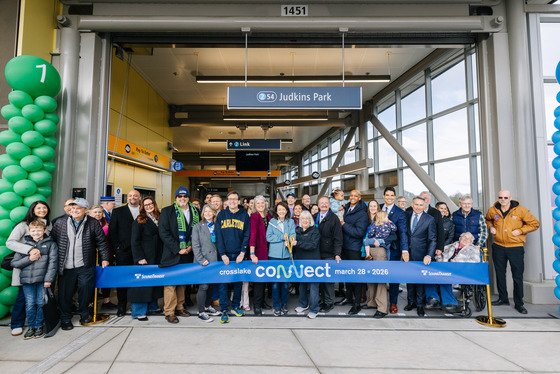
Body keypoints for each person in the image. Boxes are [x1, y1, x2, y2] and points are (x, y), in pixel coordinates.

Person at [51, 198, 110, 330]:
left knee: (85, 290)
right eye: (72, 208)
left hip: (85, 265)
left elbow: (101, 242)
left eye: (78, 208)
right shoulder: (59, 223)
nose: (74, 210)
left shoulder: (93, 223)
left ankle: (84, 314)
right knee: (65, 293)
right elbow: (53, 241)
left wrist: (105, 258)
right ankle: (65, 318)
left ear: (86, 210)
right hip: (66, 266)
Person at [485, 190, 540, 314]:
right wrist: (491, 227)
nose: (503, 199)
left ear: (510, 198)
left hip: (515, 247)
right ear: (498, 198)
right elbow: (487, 220)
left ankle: (519, 303)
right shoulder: (492, 210)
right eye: (500, 197)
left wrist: (520, 231)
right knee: (500, 273)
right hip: (498, 246)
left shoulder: (521, 211)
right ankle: (503, 298)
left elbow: (535, 224)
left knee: (517, 276)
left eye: (505, 197)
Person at [6, 201, 52, 337]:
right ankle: (16, 324)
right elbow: (10, 242)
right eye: (38, 208)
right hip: (26, 266)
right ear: (32, 210)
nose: (42, 210)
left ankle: (38, 324)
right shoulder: (23, 225)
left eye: (44, 207)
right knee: (22, 297)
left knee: (41, 299)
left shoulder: (49, 225)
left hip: (42, 269)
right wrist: (29, 250)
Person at [158, 186, 200, 323]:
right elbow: (163, 233)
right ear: (176, 198)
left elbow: (196, 232)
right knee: (170, 284)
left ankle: (180, 307)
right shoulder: (167, 211)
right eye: (180, 196)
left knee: (182, 282)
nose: (183, 198)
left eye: (185, 196)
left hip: (187, 253)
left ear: (188, 198)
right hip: (172, 253)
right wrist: (178, 248)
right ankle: (169, 311)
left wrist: (190, 247)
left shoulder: (195, 211)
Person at [10, 220, 57, 339]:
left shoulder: (51, 244)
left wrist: (48, 279)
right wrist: (29, 259)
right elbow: (14, 263)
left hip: (42, 280)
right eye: (33, 231)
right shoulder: (24, 245)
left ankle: (39, 326)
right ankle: (31, 326)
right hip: (27, 281)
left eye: (39, 230)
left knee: (41, 303)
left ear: (44, 230)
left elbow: (53, 263)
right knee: (30, 304)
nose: (36, 233)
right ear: (29, 232)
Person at [215, 191, 251, 323]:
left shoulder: (245, 216)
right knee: (223, 283)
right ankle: (224, 308)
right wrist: (222, 254)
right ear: (227, 201)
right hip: (224, 255)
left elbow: (247, 235)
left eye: (235, 199)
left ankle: (235, 306)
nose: (232, 201)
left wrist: (242, 253)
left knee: (237, 282)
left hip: (238, 255)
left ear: (239, 201)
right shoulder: (221, 215)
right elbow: (218, 236)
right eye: (230, 199)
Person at [128, 197, 163, 321]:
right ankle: (138, 311)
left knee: (154, 282)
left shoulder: (159, 217)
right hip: (145, 257)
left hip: (157, 255)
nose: (149, 206)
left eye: (151, 204)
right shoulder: (139, 220)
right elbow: (134, 241)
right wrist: (139, 258)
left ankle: (153, 306)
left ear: (154, 204)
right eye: (146, 205)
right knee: (141, 285)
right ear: (142, 207)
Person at [335, 190, 369, 315]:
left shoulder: (362, 214)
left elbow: (359, 232)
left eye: (356, 196)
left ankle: (357, 304)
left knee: (357, 277)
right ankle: (348, 298)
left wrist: (343, 224)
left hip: (354, 248)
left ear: (360, 198)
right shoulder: (346, 207)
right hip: (344, 247)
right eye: (351, 195)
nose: (353, 197)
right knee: (347, 275)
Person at [108, 189, 141, 316]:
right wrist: (118, 248)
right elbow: (112, 231)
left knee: (138, 278)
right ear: (127, 198)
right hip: (124, 252)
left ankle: (136, 305)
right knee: (123, 279)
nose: (133, 197)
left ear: (139, 198)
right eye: (131, 195)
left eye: (135, 196)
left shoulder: (143, 211)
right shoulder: (118, 211)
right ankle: (121, 305)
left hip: (140, 252)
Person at [404, 196, 436, 317]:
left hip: (421, 254)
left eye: (420, 205)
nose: (418, 207)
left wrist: (429, 254)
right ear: (412, 204)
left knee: (420, 280)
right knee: (409, 278)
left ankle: (420, 305)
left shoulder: (429, 219)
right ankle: (411, 302)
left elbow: (432, 239)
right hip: (407, 253)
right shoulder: (406, 215)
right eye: (416, 204)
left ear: (425, 206)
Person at [435, 232, 482, 313]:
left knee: (444, 279)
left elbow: (476, 262)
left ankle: (451, 303)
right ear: (460, 238)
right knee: (430, 276)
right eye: (463, 237)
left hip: (461, 272)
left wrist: (457, 262)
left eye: (468, 239)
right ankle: (434, 299)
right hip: (446, 269)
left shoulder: (473, 249)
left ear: (471, 242)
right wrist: (439, 258)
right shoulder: (452, 245)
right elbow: (440, 253)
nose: (465, 240)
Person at [379, 187, 408, 314]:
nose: (389, 197)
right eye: (387, 195)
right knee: (379, 274)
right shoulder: (378, 208)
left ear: (394, 197)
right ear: (384, 196)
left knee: (393, 276)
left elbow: (403, 232)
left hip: (394, 248)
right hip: (378, 248)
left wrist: (405, 250)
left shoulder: (400, 212)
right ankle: (379, 302)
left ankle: (393, 303)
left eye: (392, 195)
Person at [192, 204, 221, 322]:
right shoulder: (198, 226)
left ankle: (207, 306)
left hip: (215, 260)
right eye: (205, 212)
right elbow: (195, 245)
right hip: (203, 261)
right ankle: (201, 311)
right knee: (203, 286)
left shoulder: (217, 226)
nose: (207, 213)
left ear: (214, 213)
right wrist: (201, 259)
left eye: (210, 211)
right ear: (202, 214)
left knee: (211, 285)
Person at [266, 202, 297, 316]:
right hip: (274, 256)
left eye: (283, 209)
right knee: (275, 283)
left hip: (286, 256)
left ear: (286, 211)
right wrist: (281, 237)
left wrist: (293, 241)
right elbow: (268, 237)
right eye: (279, 210)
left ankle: (284, 304)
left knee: (285, 283)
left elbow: (293, 234)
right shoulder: (272, 222)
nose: (281, 212)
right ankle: (276, 305)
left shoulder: (291, 222)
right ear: (276, 211)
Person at [314, 196, 342, 313]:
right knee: (320, 278)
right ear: (318, 205)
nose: (324, 205)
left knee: (328, 280)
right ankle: (323, 299)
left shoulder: (334, 218)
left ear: (329, 205)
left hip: (329, 253)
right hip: (316, 253)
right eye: (322, 203)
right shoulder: (315, 217)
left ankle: (329, 302)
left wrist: (337, 253)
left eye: (326, 203)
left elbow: (338, 238)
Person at [294, 211, 321, 319]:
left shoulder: (315, 231)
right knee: (302, 285)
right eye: (303, 218)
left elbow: (312, 245)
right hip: (300, 261)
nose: (305, 220)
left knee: (313, 286)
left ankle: (314, 309)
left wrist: (298, 243)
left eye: (307, 218)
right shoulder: (297, 230)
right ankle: (303, 304)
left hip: (313, 262)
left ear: (310, 220)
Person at [89, 205, 116, 309]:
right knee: (91, 278)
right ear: (90, 213)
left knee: (106, 277)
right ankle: (90, 303)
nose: (98, 214)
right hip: (91, 255)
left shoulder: (106, 222)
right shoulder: (87, 223)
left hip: (106, 254)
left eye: (100, 212)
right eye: (95, 212)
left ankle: (106, 301)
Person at [249, 195, 272, 315]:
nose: (260, 205)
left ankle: (263, 301)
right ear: (254, 205)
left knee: (265, 278)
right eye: (258, 203)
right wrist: (252, 253)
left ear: (265, 204)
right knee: (259, 279)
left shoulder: (268, 216)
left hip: (269, 250)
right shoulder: (254, 216)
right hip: (259, 251)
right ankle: (257, 305)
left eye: (262, 203)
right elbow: (252, 235)